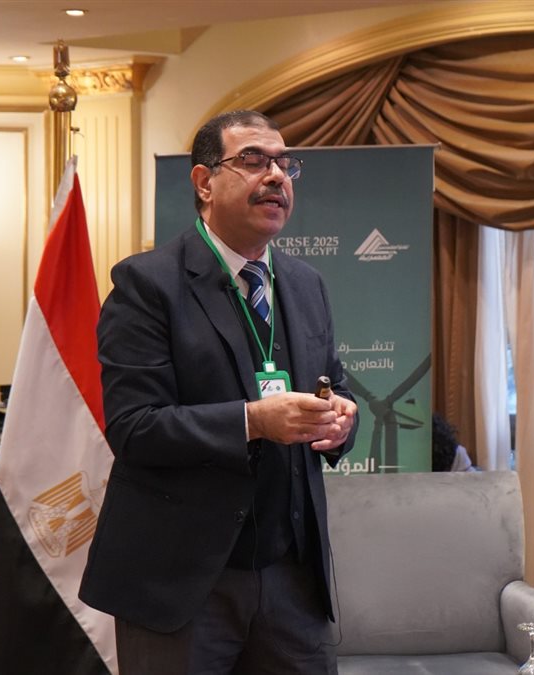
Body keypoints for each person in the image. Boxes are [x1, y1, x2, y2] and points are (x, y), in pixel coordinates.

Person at [79, 110, 359, 674]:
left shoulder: (306, 284)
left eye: (284, 164)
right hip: (181, 582)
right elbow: (134, 427)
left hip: (291, 579)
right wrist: (253, 421)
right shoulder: (147, 284)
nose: (276, 176)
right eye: (253, 160)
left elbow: (335, 385)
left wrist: (340, 420)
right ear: (204, 182)